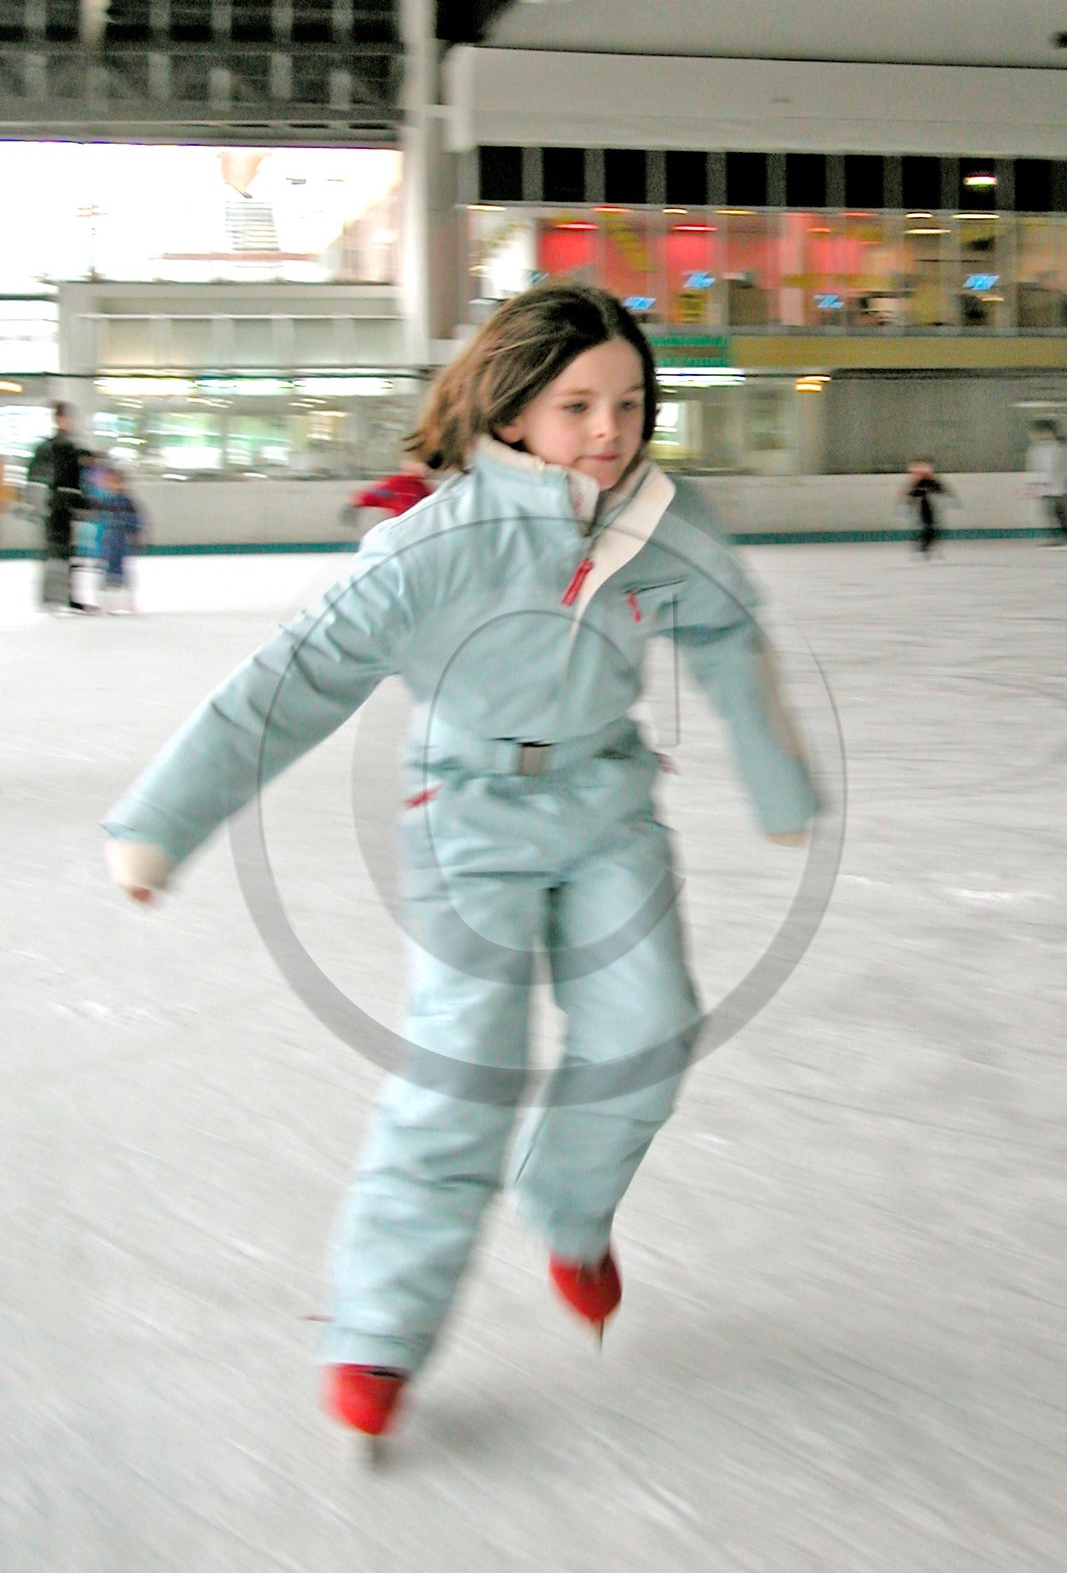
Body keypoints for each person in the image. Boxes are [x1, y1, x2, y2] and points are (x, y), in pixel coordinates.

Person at [102, 283, 818, 1446]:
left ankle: (567, 1205)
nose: (609, 429)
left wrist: (777, 782)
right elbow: (288, 682)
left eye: (628, 402)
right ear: (512, 408)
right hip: (468, 815)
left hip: (606, 801)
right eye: (576, 404)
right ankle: (378, 1325)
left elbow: (727, 632)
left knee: (648, 1026)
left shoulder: (660, 517)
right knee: (464, 1066)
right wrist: (161, 821)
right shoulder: (432, 548)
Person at [27, 401, 91, 610]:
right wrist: (38, 504)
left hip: (65, 507)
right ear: (57, 419)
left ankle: (67, 595)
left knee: (67, 552)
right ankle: (52, 597)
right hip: (53, 506)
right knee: (54, 551)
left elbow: (75, 482)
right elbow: (38, 478)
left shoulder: (70, 448)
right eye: (65, 417)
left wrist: (80, 504)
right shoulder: (49, 448)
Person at [86, 461, 144, 613]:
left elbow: (135, 519)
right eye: (109, 481)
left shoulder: (126, 501)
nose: (112, 485)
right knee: (105, 569)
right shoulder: (103, 501)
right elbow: (95, 517)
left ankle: (125, 599)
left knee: (120, 569)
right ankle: (106, 600)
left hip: (120, 540)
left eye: (115, 481)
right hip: (106, 541)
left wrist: (136, 534)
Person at [342, 458, 434, 541]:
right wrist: (357, 503)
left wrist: (357, 503)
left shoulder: (422, 488)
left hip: (412, 532)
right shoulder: (396, 484)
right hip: (400, 531)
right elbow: (373, 495)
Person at [898, 458, 959, 556]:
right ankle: (923, 544)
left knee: (931, 527)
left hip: (929, 507)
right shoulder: (920, 483)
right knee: (928, 527)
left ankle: (924, 544)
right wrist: (907, 504)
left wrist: (950, 497)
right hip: (924, 507)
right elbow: (913, 494)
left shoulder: (930, 482)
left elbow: (940, 489)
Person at [1024, 419, 1067, 544]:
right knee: (1051, 511)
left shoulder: (1058, 447)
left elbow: (1059, 468)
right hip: (1048, 486)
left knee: (1059, 511)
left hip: (1058, 485)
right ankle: (1053, 536)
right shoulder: (1037, 448)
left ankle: (1058, 535)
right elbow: (1035, 468)